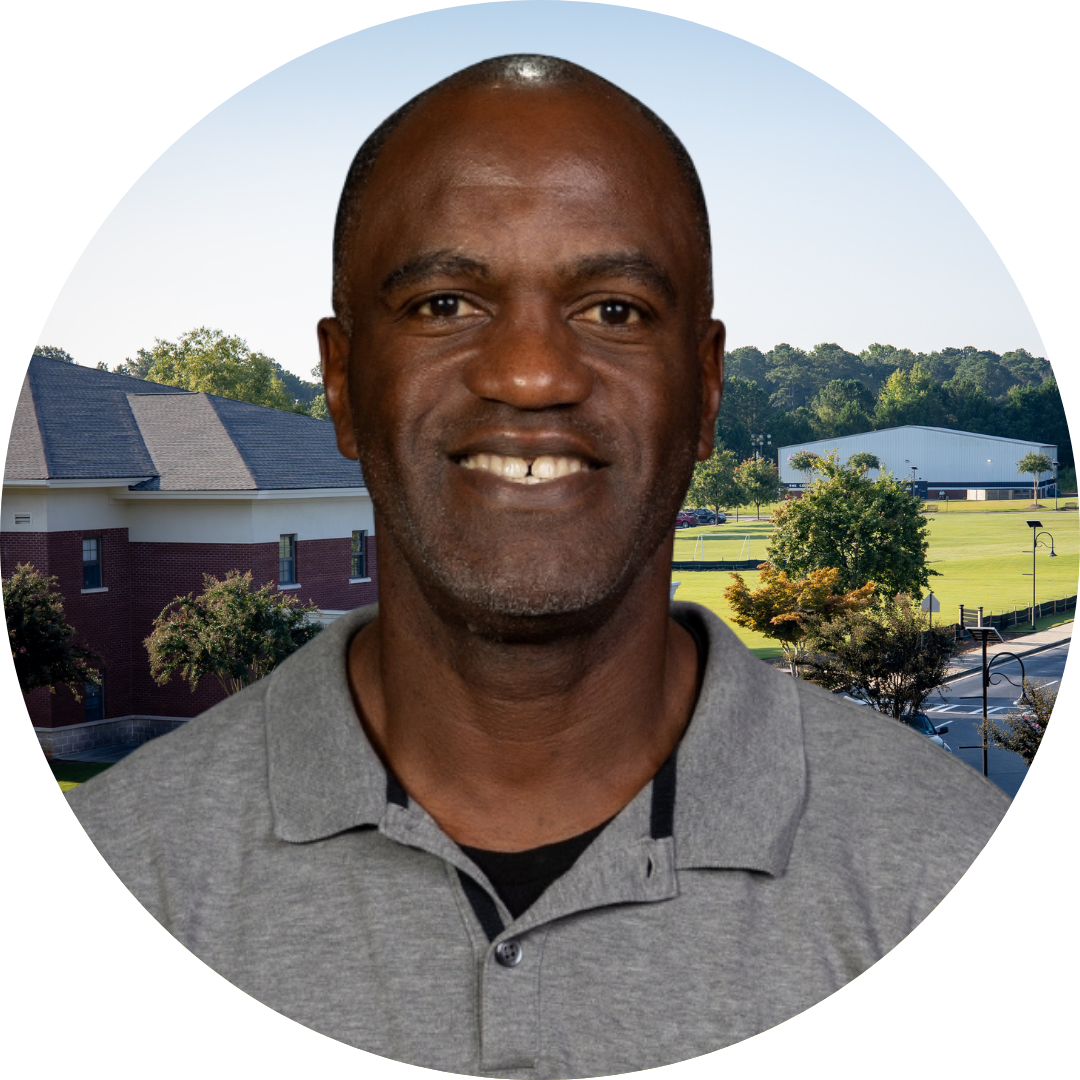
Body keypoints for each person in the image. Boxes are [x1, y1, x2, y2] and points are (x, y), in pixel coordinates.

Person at [65, 55, 1010, 1074]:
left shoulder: (943, 858)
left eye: (613, 310)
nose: (531, 373)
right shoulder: (134, 860)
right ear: (342, 384)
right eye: (442, 303)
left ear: (704, 387)